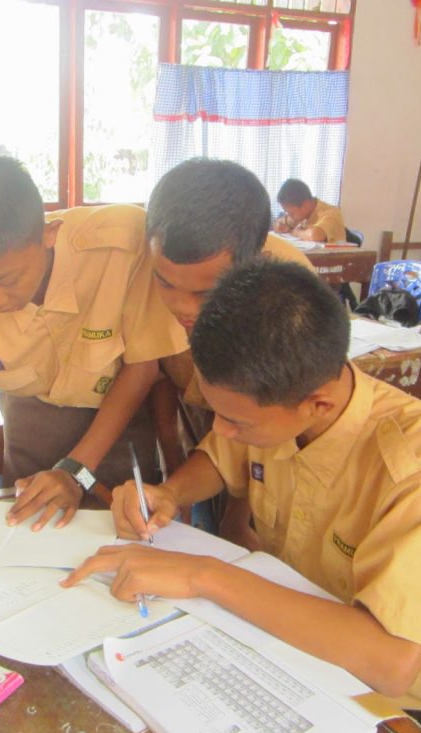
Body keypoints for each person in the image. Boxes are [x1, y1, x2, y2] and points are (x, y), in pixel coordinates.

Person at [64, 260, 421, 710]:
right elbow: (220, 459)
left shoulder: (417, 458)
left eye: (236, 421)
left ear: (318, 405)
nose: (221, 429)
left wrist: (202, 575)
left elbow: (391, 663)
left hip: (364, 690)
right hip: (273, 637)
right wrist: (170, 494)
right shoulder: (276, 398)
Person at [0, 153, 186, 531]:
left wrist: (74, 471)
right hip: (29, 429)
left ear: (48, 234)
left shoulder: (122, 244)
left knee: (128, 531)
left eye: (7, 281)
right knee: (30, 532)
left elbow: (143, 365)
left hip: (122, 421)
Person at [144, 158, 313, 544]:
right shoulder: (153, 269)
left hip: (255, 435)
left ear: (254, 266)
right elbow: (156, 375)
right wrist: (172, 479)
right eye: (165, 283)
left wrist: (237, 520)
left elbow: (262, 427)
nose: (182, 308)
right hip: (201, 423)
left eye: (204, 293)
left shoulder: (281, 297)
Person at [273, 178, 346, 243]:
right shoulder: (302, 214)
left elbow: (314, 236)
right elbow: (280, 223)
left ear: (305, 205)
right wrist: (278, 225)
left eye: (291, 213)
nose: (289, 216)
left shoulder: (331, 213)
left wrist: (296, 232)